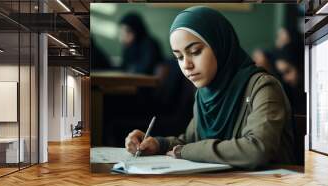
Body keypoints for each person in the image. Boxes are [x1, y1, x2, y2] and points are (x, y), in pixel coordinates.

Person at [124, 6, 296, 170]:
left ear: (219, 44)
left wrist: (184, 151)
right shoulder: (204, 94)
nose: (187, 65)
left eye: (195, 51)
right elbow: (191, 140)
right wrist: (158, 144)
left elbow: (257, 149)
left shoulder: (263, 87)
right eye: (179, 56)